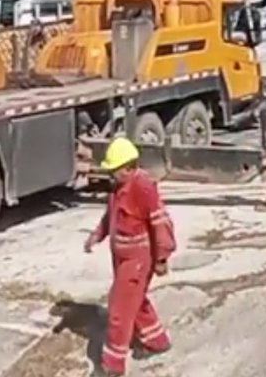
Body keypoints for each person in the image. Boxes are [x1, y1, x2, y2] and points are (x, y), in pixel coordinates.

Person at [85, 138, 176, 375]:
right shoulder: (117, 188)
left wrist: (161, 258)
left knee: (119, 309)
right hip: (122, 258)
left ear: (128, 167)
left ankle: (112, 365)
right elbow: (111, 217)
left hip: (138, 260)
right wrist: (97, 235)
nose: (110, 175)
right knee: (135, 301)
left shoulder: (143, 186)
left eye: (113, 171)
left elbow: (160, 222)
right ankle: (157, 341)